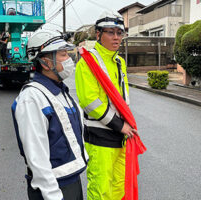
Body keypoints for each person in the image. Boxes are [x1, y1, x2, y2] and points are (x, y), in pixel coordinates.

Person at [11, 30, 88, 200]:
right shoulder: (31, 99)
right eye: (62, 54)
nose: (69, 59)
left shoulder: (60, 91)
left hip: (72, 181)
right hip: (52, 190)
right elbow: (37, 159)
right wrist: (53, 196)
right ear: (46, 63)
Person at [75, 11, 137, 200]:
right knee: (100, 190)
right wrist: (120, 125)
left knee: (119, 188)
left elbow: (122, 100)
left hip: (121, 136)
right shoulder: (87, 61)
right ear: (98, 34)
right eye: (111, 32)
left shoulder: (119, 61)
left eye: (120, 32)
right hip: (100, 136)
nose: (116, 37)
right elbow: (90, 102)